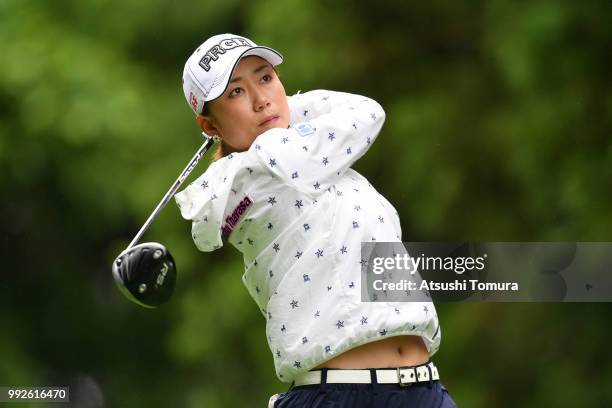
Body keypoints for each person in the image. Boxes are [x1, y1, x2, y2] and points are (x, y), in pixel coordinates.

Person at [175, 33, 457, 407]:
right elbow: (362, 116)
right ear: (209, 127)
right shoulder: (239, 183)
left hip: (424, 390)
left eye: (265, 78)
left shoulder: (325, 162)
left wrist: (279, 109)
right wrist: (282, 113)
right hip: (337, 396)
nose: (261, 99)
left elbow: (368, 111)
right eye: (235, 93)